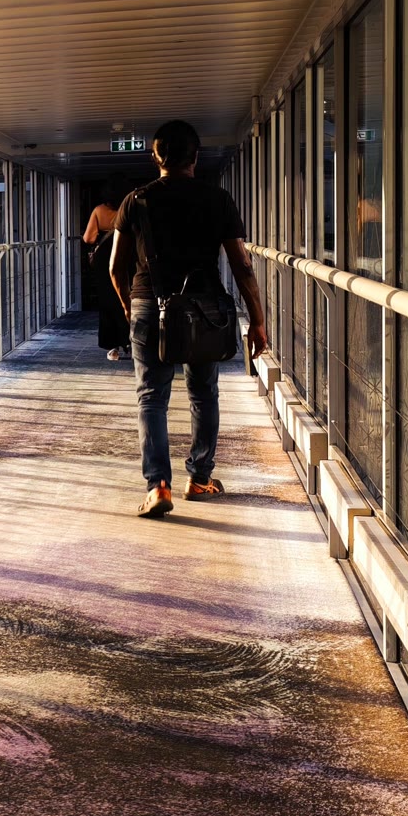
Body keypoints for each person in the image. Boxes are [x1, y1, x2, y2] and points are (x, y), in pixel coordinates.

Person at [109, 120, 268, 518]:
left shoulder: (135, 201)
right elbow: (242, 265)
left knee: (152, 397)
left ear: (156, 158)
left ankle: (157, 486)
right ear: (196, 156)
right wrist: (258, 321)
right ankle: (199, 478)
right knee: (203, 393)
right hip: (204, 310)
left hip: (149, 304)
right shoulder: (218, 199)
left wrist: (130, 307)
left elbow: (115, 266)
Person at [81, 183, 130, 360]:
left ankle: (113, 348)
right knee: (127, 299)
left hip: (105, 257)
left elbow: (89, 238)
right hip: (127, 254)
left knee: (108, 302)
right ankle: (131, 341)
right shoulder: (130, 207)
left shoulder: (99, 210)